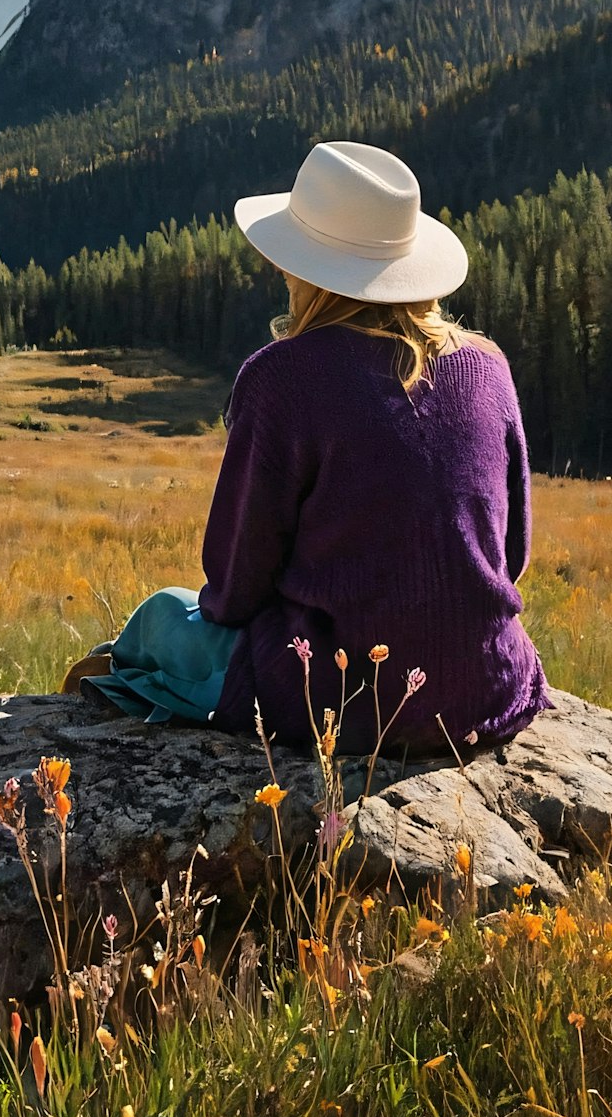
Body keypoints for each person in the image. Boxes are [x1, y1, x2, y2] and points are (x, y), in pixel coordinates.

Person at [65, 140, 551, 756]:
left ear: (303, 267)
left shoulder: (282, 377)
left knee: (166, 614)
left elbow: (237, 584)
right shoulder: (489, 368)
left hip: (335, 694)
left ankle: (131, 674)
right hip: (487, 688)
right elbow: (512, 555)